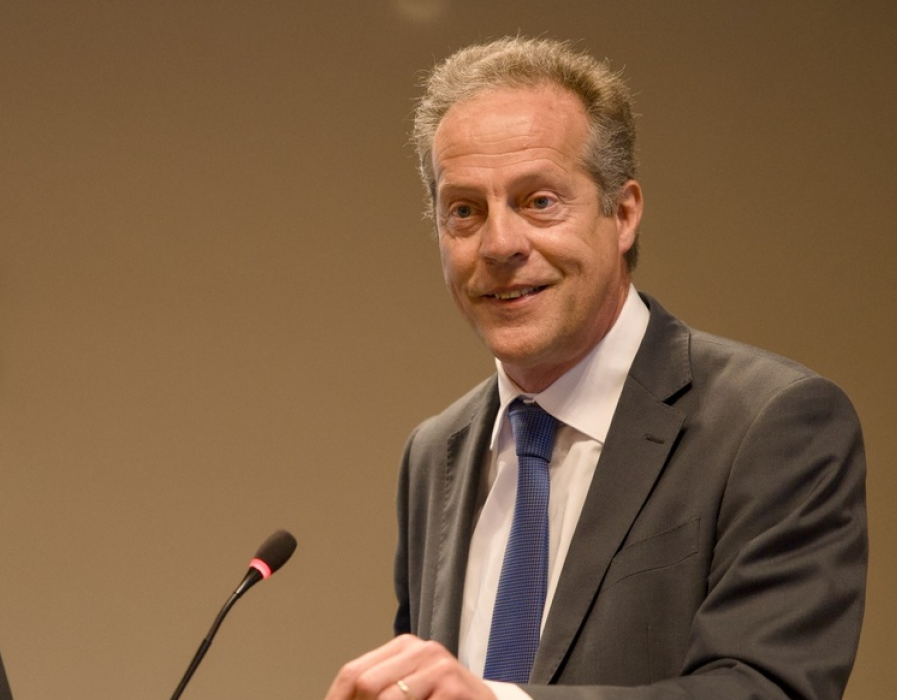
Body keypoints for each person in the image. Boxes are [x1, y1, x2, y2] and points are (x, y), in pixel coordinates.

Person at [324, 37, 867, 700]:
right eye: (464, 211)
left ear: (624, 213)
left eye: (539, 201)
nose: (499, 244)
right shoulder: (434, 453)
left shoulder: (771, 424)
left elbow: (768, 689)